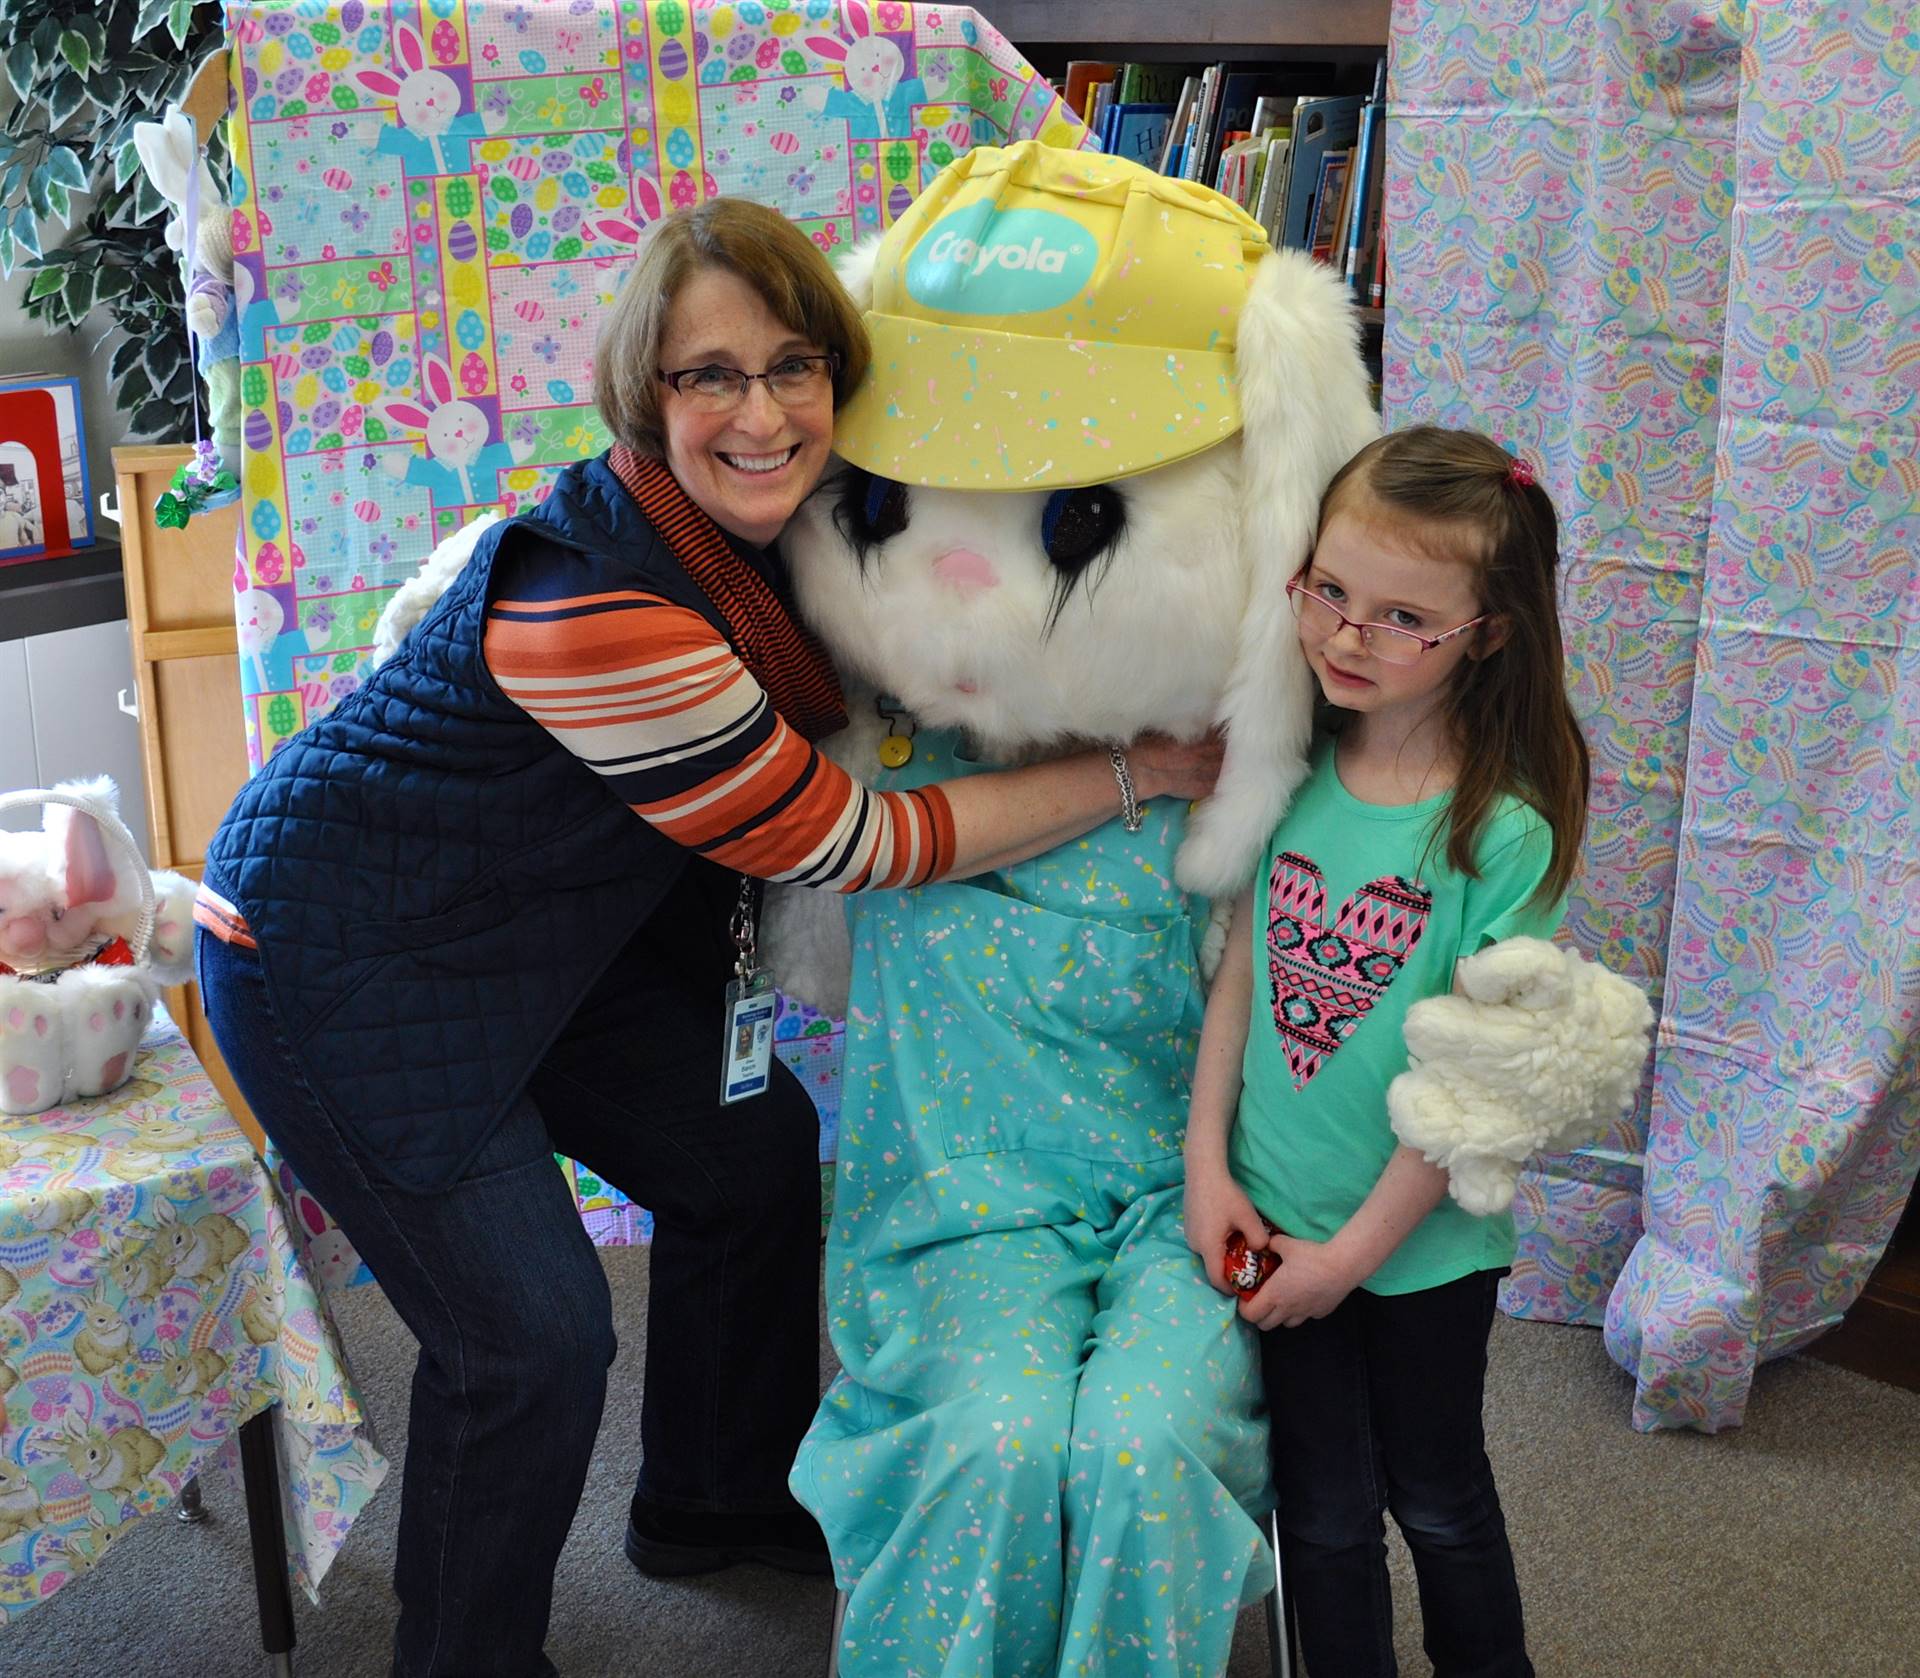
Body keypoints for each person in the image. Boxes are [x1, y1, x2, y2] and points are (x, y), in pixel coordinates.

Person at [192, 197, 1222, 1678]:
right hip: (334, 957)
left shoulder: (753, 547)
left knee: (742, 1162)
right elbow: (859, 842)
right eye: (709, 376)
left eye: (794, 366)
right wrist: (1137, 768)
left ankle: (712, 1496)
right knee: (530, 1342)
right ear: (643, 395)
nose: (762, 411)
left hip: (531, 925)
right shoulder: (607, 609)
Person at [1183, 425, 1589, 1678]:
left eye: (1404, 615)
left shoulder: (1502, 835)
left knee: (1437, 1496)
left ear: (1491, 634)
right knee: (1318, 1511)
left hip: (1416, 1253)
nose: (1349, 635)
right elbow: (1243, 977)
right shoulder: (1287, 766)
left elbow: (1469, 1096)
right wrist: (1207, 1160)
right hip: (1272, 1214)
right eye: (1332, 591)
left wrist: (1348, 1260)